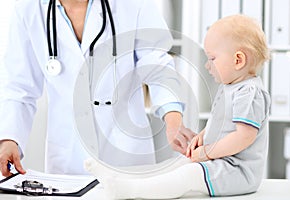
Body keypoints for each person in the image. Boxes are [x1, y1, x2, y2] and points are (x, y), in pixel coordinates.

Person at [0, 0, 195, 177]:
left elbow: (157, 64)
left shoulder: (134, 4)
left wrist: (172, 117)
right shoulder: (28, 9)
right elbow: (19, 87)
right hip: (68, 161)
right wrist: (9, 139)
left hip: (127, 156)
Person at [85, 14, 271, 199]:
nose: (207, 65)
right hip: (221, 162)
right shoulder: (231, 88)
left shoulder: (250, 93)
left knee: (189, 175)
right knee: (178, 165)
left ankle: (128, 191)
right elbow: (221, 123)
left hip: (237, 171)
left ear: (238, 60)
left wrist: (207, 152)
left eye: (212, 58)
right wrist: (203, 136)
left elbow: (243, 137)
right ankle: (118, 178)